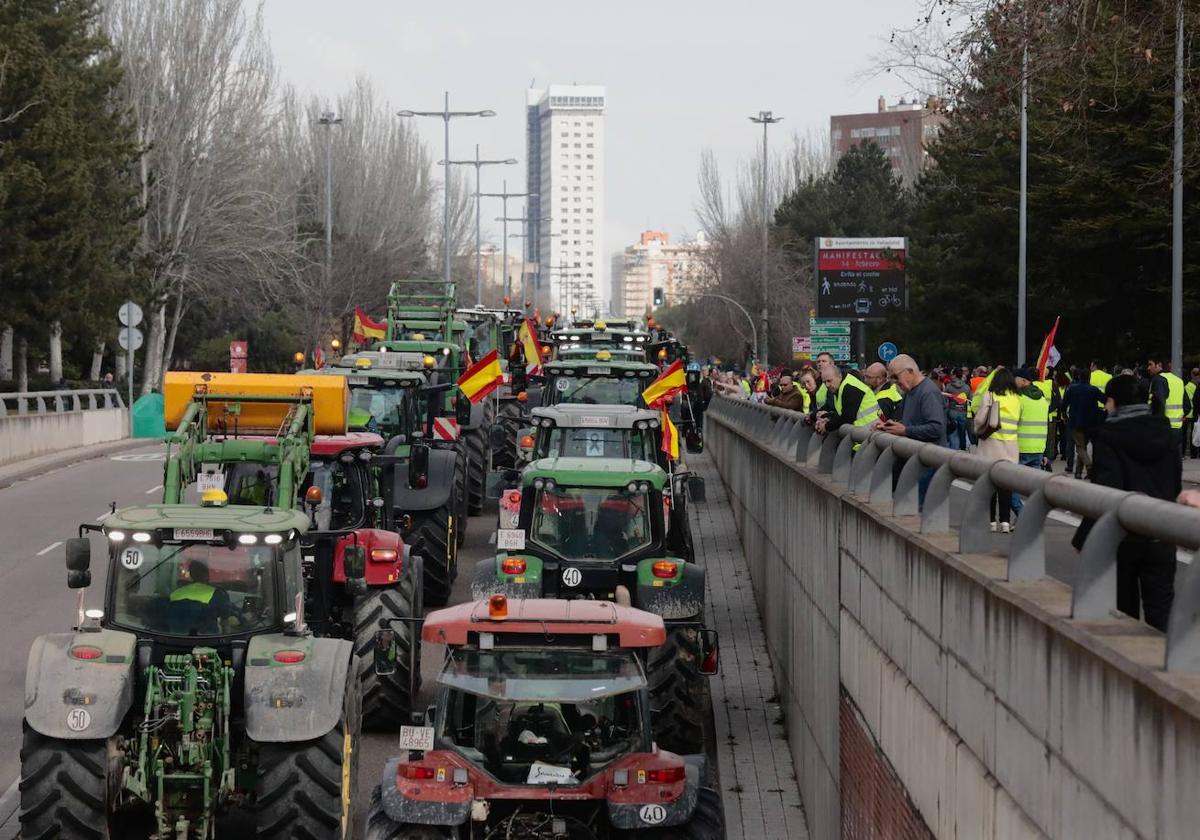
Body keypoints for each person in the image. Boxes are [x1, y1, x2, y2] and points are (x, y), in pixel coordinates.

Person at [1072, 375, 1181, 632]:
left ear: (1115, 402)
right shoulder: (1166, 432)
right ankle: (1168, 665)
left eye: (1107, 401)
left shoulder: (1110, 435)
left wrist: (1084, 537)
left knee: (1124, 611)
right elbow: (1174, 484)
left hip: (1125, 536)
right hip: (1162, 530)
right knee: (1162, 611)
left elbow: (1106, 491)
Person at [876, 354, 947, 506]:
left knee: (918, 512)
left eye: (896, 377)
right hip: (916, 462)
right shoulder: (910, 392)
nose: (894, 383)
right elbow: (908, 422)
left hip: (928, 464)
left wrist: (905, 430)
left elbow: (937, 428)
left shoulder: (928, 392)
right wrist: (889, 427)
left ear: (909, 371)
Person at [976, 366, 1020, 532]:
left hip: (991, 446)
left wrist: (977, 428)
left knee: (990, 486)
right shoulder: (1017, 399)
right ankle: (1006, 522)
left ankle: (991, 522)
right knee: (1006, 487)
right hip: (1010, 447)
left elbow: (981, 418)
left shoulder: (990, 395)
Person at [1010, 367, 1049, 514]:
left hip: (1021, 448)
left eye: (1015, 379)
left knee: (1009, 486)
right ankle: (1032, 519)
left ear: (1023, 380)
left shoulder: (1019, 399)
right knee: (1034, 490)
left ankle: (1022, 516)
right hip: (1038, 448)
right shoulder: (1042, 399)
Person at [169, 560, 234, 635]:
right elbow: (225, 622)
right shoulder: (217, 594)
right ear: (206, 574)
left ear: (190, 574)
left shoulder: (175, 593)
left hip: (175, 638)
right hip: (208, 640)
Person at [815, 364, 878, 439]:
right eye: (824, 382)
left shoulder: (850, 387)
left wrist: (826, 426)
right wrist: (828, 417)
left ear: (839, 376)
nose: (827, 385)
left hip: (867, 436)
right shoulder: (841, 387)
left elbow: (847, 417)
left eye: (829, 381)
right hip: (862, 435)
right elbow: (842, 414)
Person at [1063, 367, 1104, 480]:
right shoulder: (1093, 390)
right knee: (1083, 448)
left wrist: (1064, 415)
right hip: (1092, 423)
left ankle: (1089, 467)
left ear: (1079, 377)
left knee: (1080, 448)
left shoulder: (1072, 389)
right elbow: (1104, 400)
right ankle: (1078, 472)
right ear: (1089, 377)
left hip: (1076, 423)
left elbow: (1064, 404)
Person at [1146, 354, 1187, 456]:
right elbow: (1188, 405)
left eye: (1150, 364)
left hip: (1163, 429)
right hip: (1177, 430)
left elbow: (1159, 404)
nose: (1148, 368)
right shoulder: (1179, 381)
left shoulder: (1158, 379)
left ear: (1159, 365)